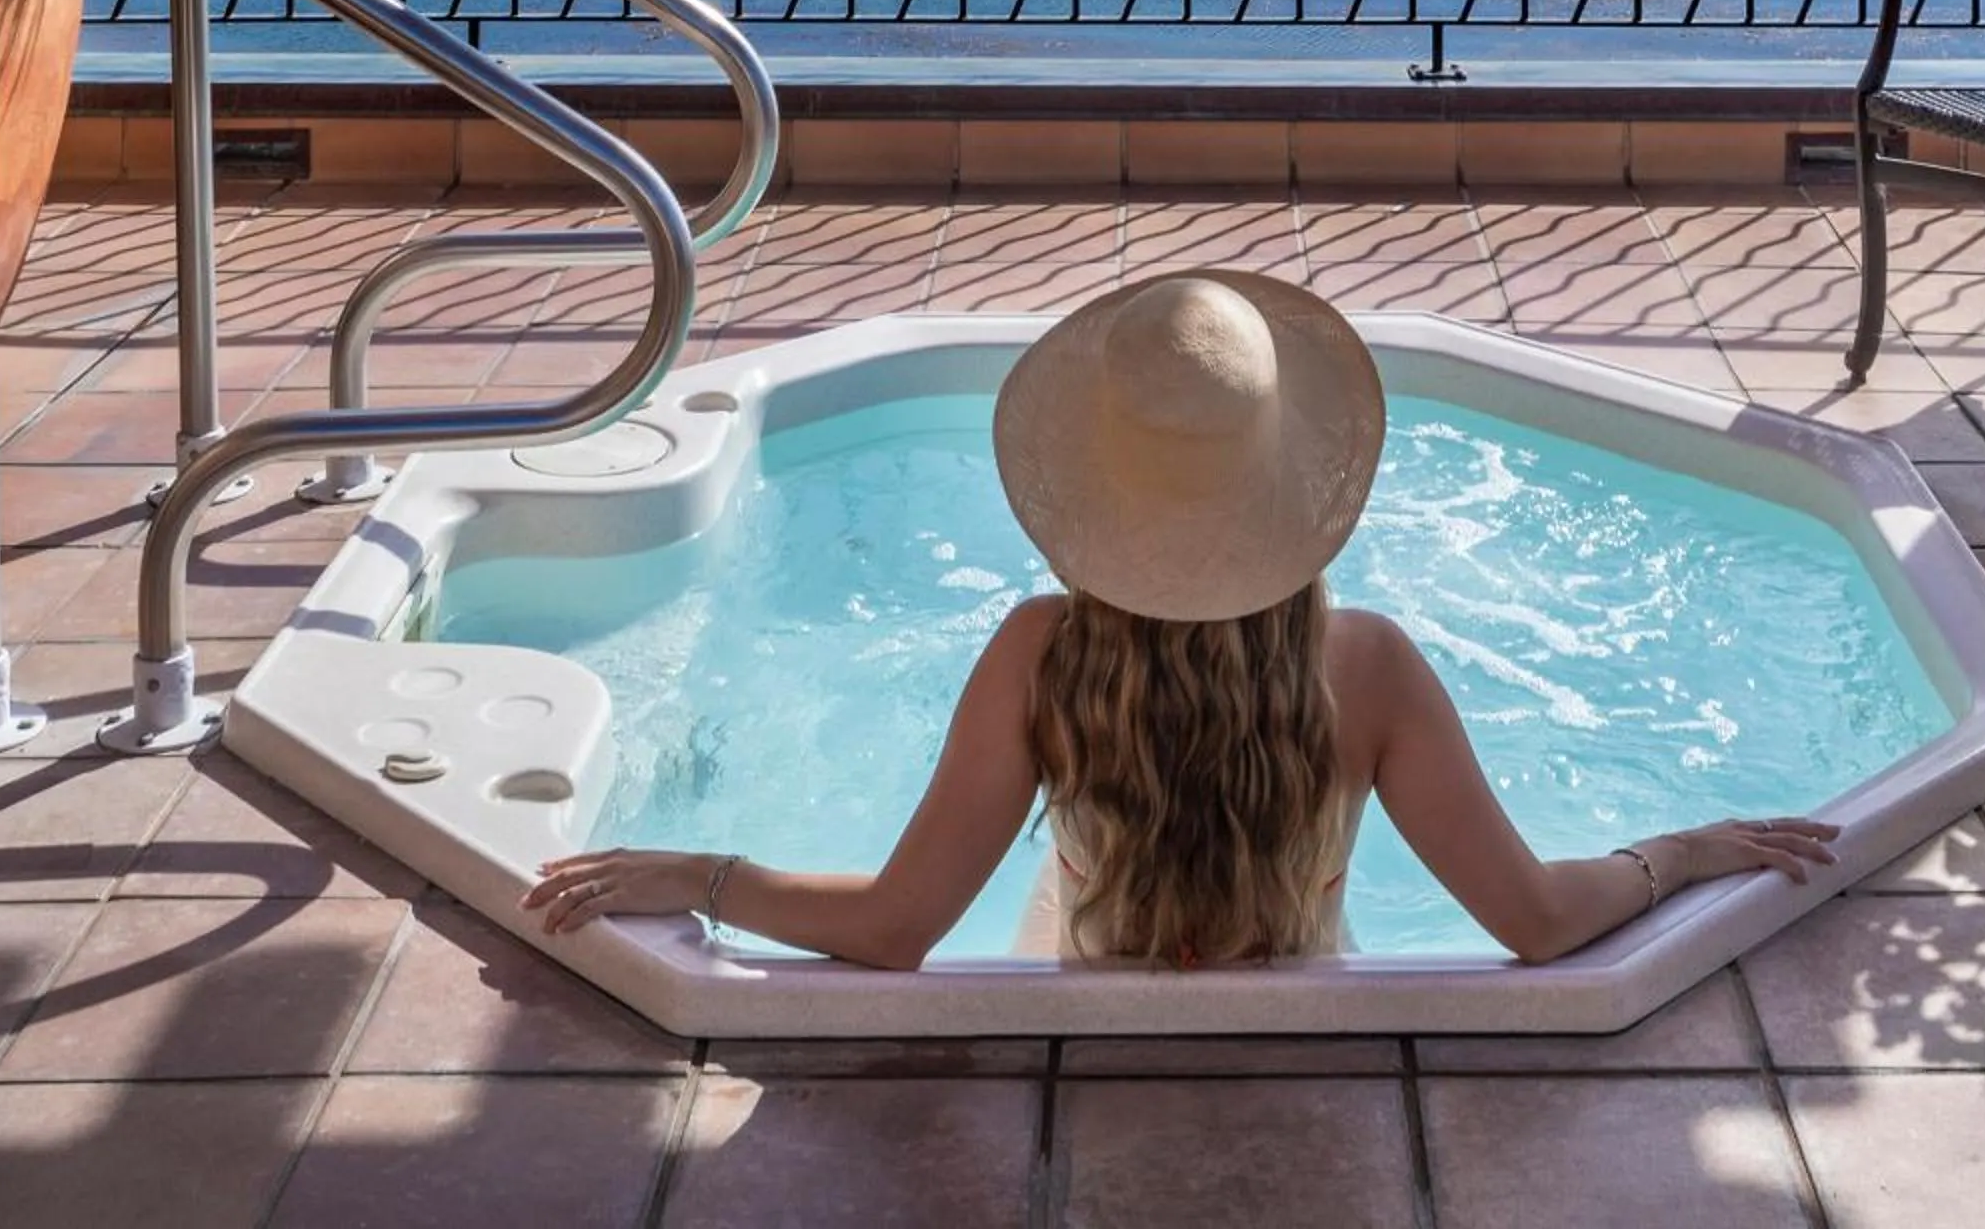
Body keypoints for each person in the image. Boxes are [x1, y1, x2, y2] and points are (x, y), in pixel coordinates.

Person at [525, 270, 1838, 969]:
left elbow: (894, 929)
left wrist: (694, 874)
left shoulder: (1042, 653)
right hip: (1308, 1009)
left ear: (1092, 484)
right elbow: (1539, 921)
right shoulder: (1367, 665)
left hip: (1086, 1005)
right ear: (1287, 478)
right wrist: (1685, 847)